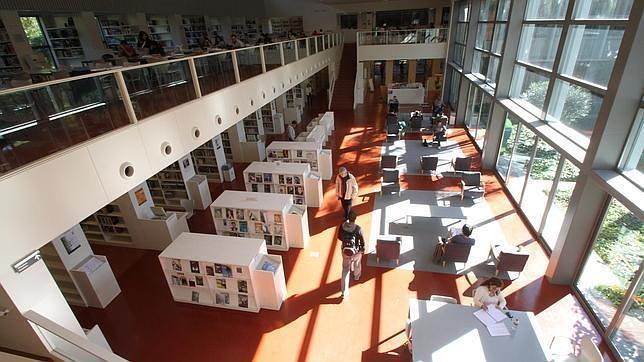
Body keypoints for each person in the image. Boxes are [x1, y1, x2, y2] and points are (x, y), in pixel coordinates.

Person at [339, 210, 365, 299]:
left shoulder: (342, 227)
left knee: (345, 270)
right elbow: (362, 243)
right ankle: (356, 276)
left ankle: (344, 292)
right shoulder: (358, 229)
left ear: (348, 218)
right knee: (357, 263)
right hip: (356, 252)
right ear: (355, 219)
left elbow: (339, 237)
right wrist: (361, 251)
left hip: (345, 251)